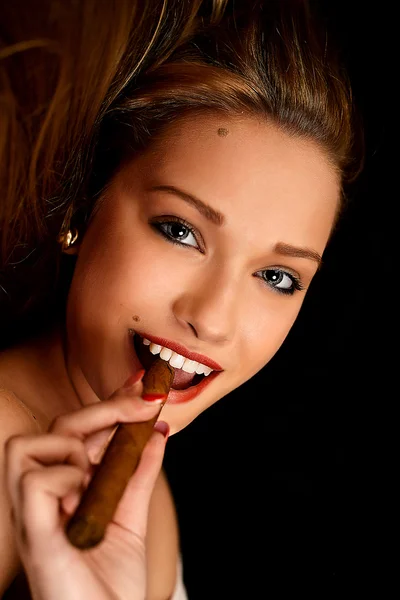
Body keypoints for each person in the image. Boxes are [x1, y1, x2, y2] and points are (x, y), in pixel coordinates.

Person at [0, 0, 363, 598]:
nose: (212, 318)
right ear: (78, 207)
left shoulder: (143, 499)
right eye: (180, 231)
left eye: (277, 277)